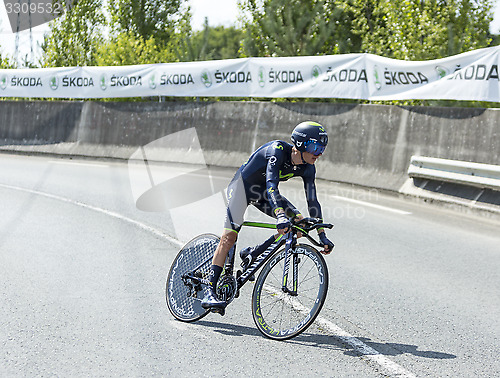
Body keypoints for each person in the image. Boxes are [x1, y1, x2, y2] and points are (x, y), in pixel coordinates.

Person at [201, 121, 334, 311]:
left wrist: (322, 236)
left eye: (322, 148)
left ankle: (253, 253)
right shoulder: (277, 150)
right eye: (315, 147)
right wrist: (280, 214)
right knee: (229, 237)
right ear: (301, 144)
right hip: (242, 189)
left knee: (300, 224)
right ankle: (209, 290)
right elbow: (271, 184)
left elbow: (313, 201)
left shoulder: (308, 167)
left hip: (263, 194)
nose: (319, 153)